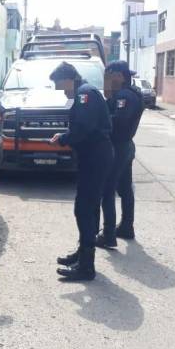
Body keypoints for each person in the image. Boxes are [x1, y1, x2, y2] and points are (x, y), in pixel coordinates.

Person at [49, 62, 113, 281]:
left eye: (60, 85)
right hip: (94, 157)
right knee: (90, 208)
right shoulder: (85, 92)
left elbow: (83, 129)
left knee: (83, 209)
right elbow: (83, 126)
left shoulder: (85, 94)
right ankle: (83, 253)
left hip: (95, 158)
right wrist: (65, 135)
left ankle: (86, 266)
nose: (61, 91)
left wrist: (63, 138)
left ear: (69, 79)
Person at [96, 61, 144, 248]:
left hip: (118, 147)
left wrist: (99, 120)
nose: (106, 79)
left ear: (119, 76)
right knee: (125, 189)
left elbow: (118, 121)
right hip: (125, 146)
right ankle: (126, 226)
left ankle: (108, 234)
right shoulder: (129, 93)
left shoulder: (125, 96)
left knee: (107, 190)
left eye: (109, 75)